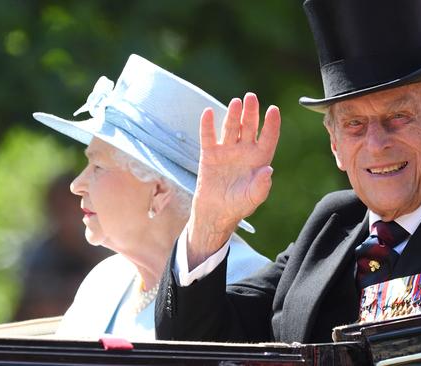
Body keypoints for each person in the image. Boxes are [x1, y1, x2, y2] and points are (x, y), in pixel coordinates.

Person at [155, 0, 421, 343]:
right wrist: (209, 226)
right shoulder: (332, 222)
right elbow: (196, 345)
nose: (376, 144)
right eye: (355, 124)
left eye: (399, 117)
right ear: (335, 143)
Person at [32, 54, 270, 340]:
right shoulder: (105, 281)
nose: (77, 185)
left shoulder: (246, 283)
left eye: (97, 166)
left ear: (158, 192)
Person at [14, 174, 110, 321]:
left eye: (69, 207)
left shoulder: (109, 250)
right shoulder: (40, 256)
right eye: (59, 208)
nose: (65, 216)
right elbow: (33, 305)